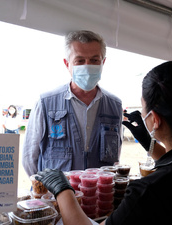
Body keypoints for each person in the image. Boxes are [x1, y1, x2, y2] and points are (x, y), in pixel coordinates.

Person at [35, 61, 172, 225]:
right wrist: (148, 142)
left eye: (143, 106)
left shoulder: (149, 192)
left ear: (155, 119)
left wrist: (63, 190)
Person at [22, 30, 123, 176]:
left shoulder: (114, 105)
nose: (87, 66)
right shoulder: (45, 103)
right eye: (80, 61)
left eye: (94, 60)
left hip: (97, 195)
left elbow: (115, 155)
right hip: (55, 196)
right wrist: (46, 191)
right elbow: (29, 157)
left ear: (103, 62)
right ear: (67, 64)